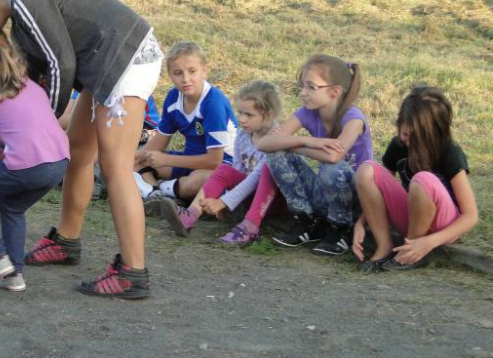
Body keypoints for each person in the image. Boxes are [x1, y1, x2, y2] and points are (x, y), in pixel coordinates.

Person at [0, 0, 163, 299]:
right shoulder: (21, 15)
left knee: (116, 169)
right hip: (107, 65)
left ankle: (133, 272)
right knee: (78, 150)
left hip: (127, 59)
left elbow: (60, 63)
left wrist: (44, 119)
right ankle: (67, 241)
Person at [0, 27, 69, 292]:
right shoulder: (30, 86)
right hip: (59, 163)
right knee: (12, 206)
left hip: (28, 165)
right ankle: (14, 275)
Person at [258, 53, 372, 256]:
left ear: (334, 91)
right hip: (326, 195)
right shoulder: (307, 113)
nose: (303, 93)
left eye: (311, 87)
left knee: (331, 169)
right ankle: (307, 221)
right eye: (302, 86)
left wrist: (292, 146)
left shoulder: (353, 118)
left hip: (355, 201)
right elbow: (264, 143)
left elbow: (334, 157)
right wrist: (307, 140)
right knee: (275, 155)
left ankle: (342, 230)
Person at [353, 86, 478, 271]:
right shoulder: (398, 146)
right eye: (405, 134)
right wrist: (361, 223)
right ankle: (385, 246)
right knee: (366, 171)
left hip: (442, 227)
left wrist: (429, 242)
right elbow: (378, 190)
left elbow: (471, 216)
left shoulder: (450, 152)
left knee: (422, 180)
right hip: (412, 219)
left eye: (418, 138)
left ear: (437, 132)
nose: (409, 142)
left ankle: (411, 251)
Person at [160, 80, 282, 247]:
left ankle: (250, 227)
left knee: (266, 170)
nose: (242, 119)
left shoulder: (276, 139)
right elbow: (238, 173)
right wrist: (226, 201)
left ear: (268, 115)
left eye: (249, 115)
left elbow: (255, 178)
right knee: (225, 169)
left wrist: (224, 202)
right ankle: (191, 214)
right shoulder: (243, 135)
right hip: (249, 197)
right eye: (241, 113)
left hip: (273, 201)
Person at [133, 41, 238, 211]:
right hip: (190, 159)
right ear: (170, 75)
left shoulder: (213, 103)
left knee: (197, 181)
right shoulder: (173, 97)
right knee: (136, 162)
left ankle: (156, 190)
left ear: (204, 70)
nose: (185, 79)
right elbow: (160, 139)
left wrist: (166, 159)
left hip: (224, 166)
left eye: (192, 71)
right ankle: (157, 194)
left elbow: (214, 161)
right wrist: (134, 158)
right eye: (178, 73)